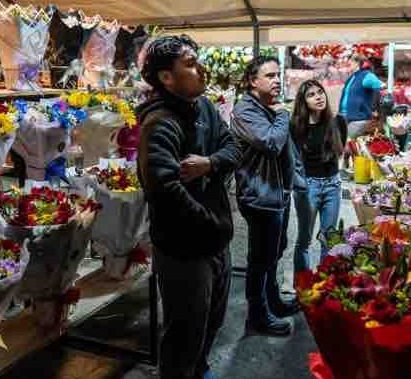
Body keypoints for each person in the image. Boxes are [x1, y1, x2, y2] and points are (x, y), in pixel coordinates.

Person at [137, 35, 241, 379]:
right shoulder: (160, 123)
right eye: (191, 64)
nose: (201, 69)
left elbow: (233, 149)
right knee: (185, 335)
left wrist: (210, 163)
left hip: (215, 242)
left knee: (212, 322)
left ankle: (200, 369)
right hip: (184, 252)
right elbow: (165, 192)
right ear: (166, 77)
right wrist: (214, 224)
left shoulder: (205, 108)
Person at [232, 56, 301, 337]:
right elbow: (271, 142)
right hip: (260, 195)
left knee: (275, 251)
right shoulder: (245, 110)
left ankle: (273, 302)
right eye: (270, 75)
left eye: (277, 75)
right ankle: (257, 316)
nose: (276, 80)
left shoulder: (266, 107)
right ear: (253, 80)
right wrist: (283, 114)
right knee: (260, 259)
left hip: (277, 193)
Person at [290, 79, 347, 273]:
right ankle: (302, 283)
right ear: (304, 101)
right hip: (308, 187)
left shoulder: (338, 122)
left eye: (320, 92)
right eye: (311, 95)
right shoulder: (297, 126)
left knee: (329, 238)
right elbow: (293, 157)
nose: (318, 97)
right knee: (304, 240)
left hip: (333, 185)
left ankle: (324, 282)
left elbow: (339, 151)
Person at [338, 53, 385, 139]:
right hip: (346, 118)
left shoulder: (366, 75)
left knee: (348, 143)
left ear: (357, 63)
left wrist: (375, 106)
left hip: (358, 120)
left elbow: (382, 86)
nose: (347, 65)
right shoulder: (352, 77)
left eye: (349, 63)